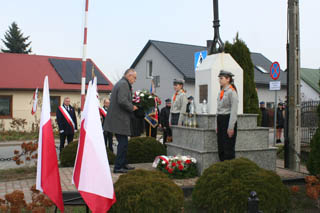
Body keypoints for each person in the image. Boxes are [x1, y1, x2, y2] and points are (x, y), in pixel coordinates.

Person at [103, 68, 138, 173]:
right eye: (134, 78)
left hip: (118, 118)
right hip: (119, 119)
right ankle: (118, 167)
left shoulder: (122, 83)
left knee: (124, 143)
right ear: (129, 76)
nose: (135, 80)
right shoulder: (123, 84)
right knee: (123, 143)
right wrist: (132, 107)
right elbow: (122, 101)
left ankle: (123, 163)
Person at [216, 70, 239, 161]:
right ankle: (222, 166)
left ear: (228, 79)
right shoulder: (221, 92)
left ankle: (229, 169)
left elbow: (234, 111)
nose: (220, 80)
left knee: (228, 147)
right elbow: (218, 109)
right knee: (221, 146)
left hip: (227, 119)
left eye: (221, 78)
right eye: (219, 78)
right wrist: (216, 125)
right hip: (220, 119)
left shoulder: (232, 92)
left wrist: (230, 127)